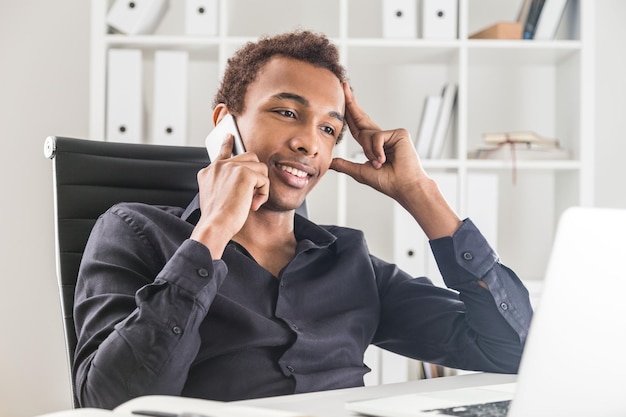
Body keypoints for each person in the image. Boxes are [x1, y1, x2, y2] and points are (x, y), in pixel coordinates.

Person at [73, 30, 533, 409]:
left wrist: (420, 194)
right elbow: (110, 401)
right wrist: (211, 233)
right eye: (287, 112)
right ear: (225, 125)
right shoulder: (136, 231)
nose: (309, 143)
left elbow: (512, 351)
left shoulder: (350, 263)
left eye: (329, 129)